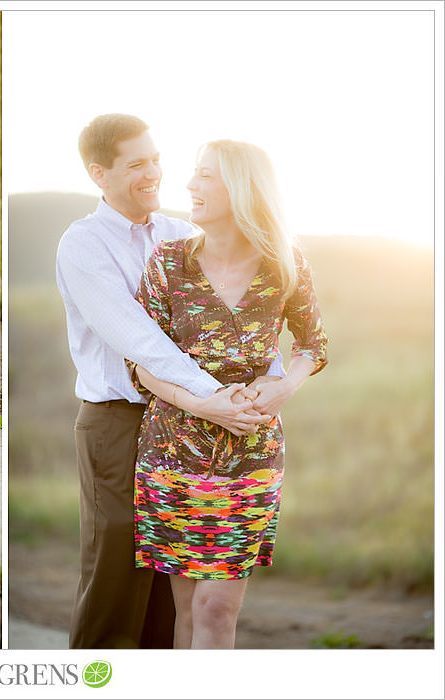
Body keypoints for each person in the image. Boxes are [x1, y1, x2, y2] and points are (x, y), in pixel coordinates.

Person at [55, 114, 278, 649]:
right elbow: (142, 342)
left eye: (155, 159)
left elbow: (238, 326)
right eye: (137, 164)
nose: (154, 172)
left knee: (169, 582)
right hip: (117, 421)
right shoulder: (83, 244)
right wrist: (214, 399)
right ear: (98, 173)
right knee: (115, 571)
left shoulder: (183, 236)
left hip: (184, 428)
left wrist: (254, 387)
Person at [129, 139, 328, 648]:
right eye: (194, 175)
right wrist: (202, 404)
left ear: (241, 189)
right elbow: (140, 364)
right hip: (174, 452)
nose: (190, 186)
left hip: (251, 456)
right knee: (189, 612)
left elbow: (313, 343)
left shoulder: (285, 265)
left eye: (205, 176)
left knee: (217, 608)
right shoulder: (168, 263)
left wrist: (285, 386)